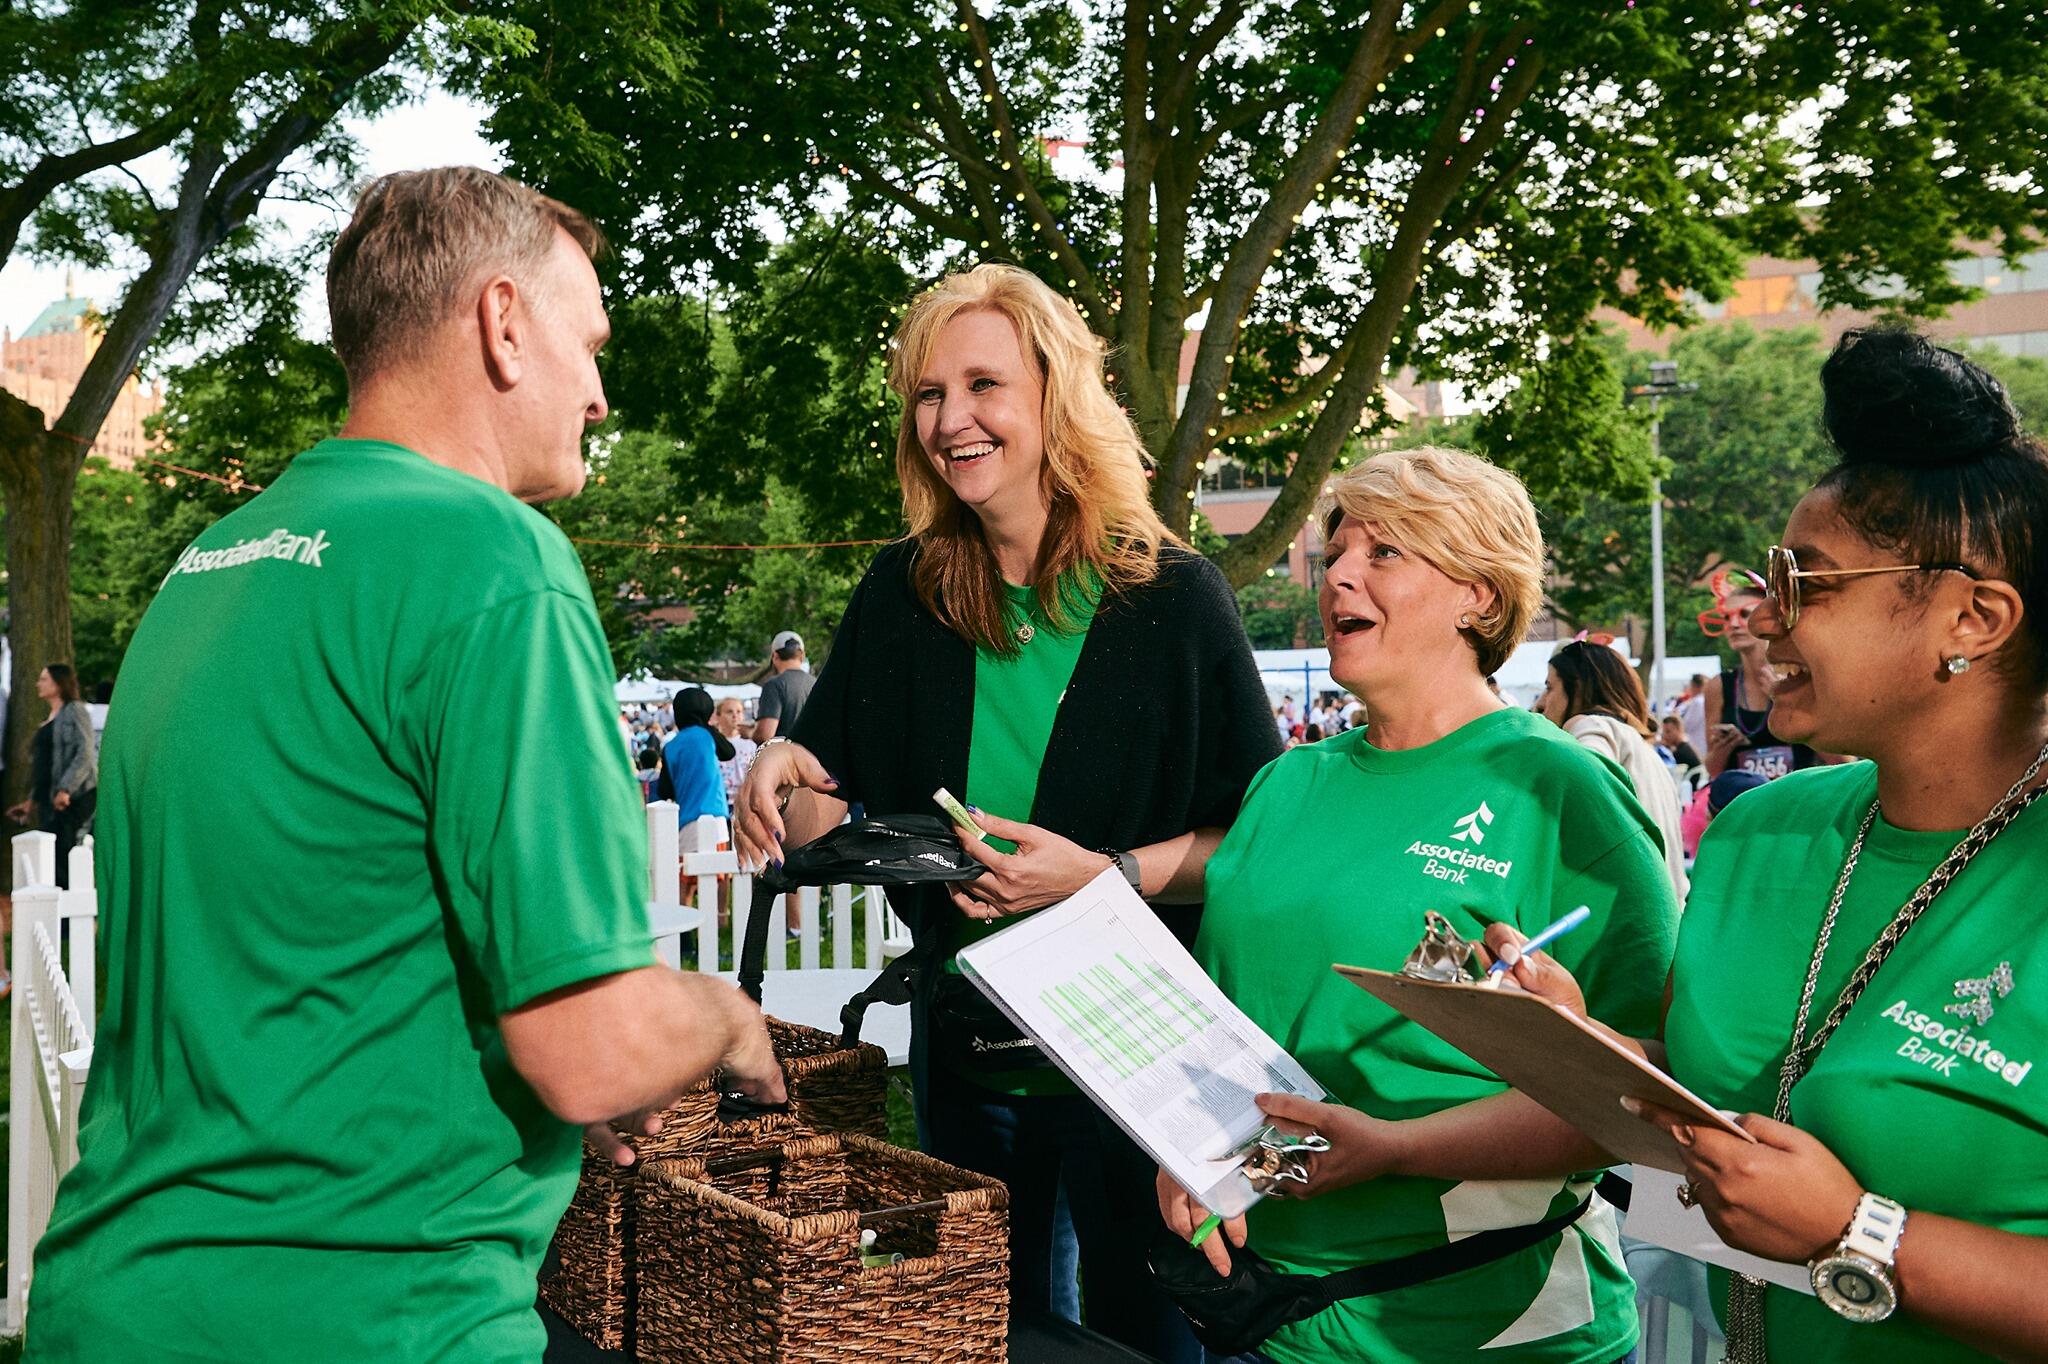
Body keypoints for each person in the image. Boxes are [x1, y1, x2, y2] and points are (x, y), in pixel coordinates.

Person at [24, 167, 783, 1362]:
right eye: (589, 345)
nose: (598, 394)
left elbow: (311, 947)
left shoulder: (212, 563)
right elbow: (591, 1050)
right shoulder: (497, 560)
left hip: (115, 1302)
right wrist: (727, 1017)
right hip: (368, 1313)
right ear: (502, 323)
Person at [733, 262, 1278, 1362]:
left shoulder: (1174, 599)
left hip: (1137, 1074)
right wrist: (786, 769)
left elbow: (1252, 848)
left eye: (983, 385)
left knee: (1144, 1344)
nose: (951, 419)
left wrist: (1106, 877)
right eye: (928, 394)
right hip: (967, 1054)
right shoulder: (904, 591)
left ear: (1055, 396)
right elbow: (832, 814)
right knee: (977, 1337)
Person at [1491, 329, 2048, 1363]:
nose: (1757, 618)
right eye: (1766, 578)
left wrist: (1858, 1233)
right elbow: (1737, 1096)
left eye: (1807, 582)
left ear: (1972, 619)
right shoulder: (1759, 829)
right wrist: (1576, 1042)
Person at [1161, 447, 1679, 1362]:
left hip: (1488, 1329)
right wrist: (1179, 1147)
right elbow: (1226, 1021)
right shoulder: (1285, 782)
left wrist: (1396, 1147)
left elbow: (1650, 1094)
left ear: (1478, 595)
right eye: (1336, 551)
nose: (1338, 575)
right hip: (1262, 1319)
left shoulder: (1559, 786)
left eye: (1386, 552)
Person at [1537, 639, 1690, 900]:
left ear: (1579, 688)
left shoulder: (1592, 726)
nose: (1541, 702)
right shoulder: (1642, 748)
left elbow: (1586, 783)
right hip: (1665, 909)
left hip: (1625, 912)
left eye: (1550, 688)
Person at [1703, 572, 1816, 780]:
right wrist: (1725, 747)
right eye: (1726, 617)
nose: (1733, 624)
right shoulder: (1718, 686)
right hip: (1744, 798)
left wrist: (1788, 702)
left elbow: (1842, 760)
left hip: (1797, 795)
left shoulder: (1802, 674)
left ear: (1768, 619)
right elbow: (1713, 770)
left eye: (1744, 614)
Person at [4, 663, 97, 887]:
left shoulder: (75, 711)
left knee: (63, 855)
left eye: (44, 679)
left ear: (58, 683)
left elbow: (84, 752)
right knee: (51, 856)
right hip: (51, 800)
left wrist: (66, 789)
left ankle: (67, 906)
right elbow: (46, 766)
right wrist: (32, 801)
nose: (39, 684)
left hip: (73, 798)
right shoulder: (51, 716)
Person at [657, 686, 734, 847]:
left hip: (686, 822)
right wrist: (706, 725)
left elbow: (664, 791)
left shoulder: (670, 746)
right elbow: (728, 752)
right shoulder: (707, 734)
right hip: (715, 819)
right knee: (718, 863)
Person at [751, 630, 812, 742]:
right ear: (802, 655)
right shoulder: (815, 683)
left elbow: (765, 735)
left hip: (784, 752)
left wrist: (749, 733)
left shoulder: (774, 685)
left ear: (775, 656)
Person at [713, 695, 758, 806]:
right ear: (718, 716)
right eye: (729, 712)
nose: (735, 715)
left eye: (739, 712)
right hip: (720, 801)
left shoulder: (751, 743)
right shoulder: (713, 743)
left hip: (744, 801)